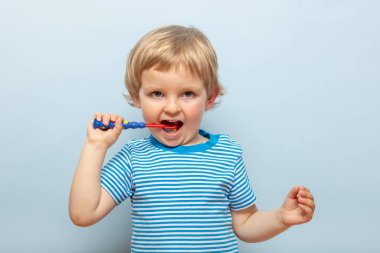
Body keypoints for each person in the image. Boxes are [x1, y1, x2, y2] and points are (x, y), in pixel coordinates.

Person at [69, 25, 315, 252]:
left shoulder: (228, 154)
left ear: (209, 97)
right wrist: (95, 146)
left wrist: (281, 218)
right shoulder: (134, 157)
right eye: (157, 93)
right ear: (136, 97)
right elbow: (83, 214)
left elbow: (246, 224)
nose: (172, 107)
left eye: (187, 94)